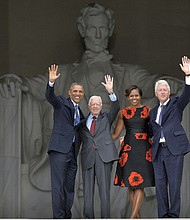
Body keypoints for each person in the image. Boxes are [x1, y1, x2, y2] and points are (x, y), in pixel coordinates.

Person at [0, 2, 188, 218]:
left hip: (113, 137)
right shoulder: (64, 72)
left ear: (109, 30)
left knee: (119, 149)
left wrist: (168, 83)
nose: (98, 34)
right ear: (83, 30)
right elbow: (32, 86)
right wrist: (13, 80)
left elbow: (151, 82)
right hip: (81, 138)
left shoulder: (128, 72)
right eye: (92, 28)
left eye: (102, 28)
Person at [149, 56, 190, 218]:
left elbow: (187, 95)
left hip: (173, 150)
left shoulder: (176, 105)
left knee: (174, 185)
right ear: (156, 93)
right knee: (160, 186)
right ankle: (163, 215)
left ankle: (173, 215)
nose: (163, 92)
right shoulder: (152, 112)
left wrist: (187, 76)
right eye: (160, 90)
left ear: (169, 92)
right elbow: (150, 131)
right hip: (158, 152)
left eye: (165, 89)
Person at [77, 75, 120, 218]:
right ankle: (88, 217)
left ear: (101, 106)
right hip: (88, 157)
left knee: (104, 191)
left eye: (97, 104)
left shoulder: (106, 118)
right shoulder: (82, 123)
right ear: (89, 106)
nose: (95, 106)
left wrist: (110, 92)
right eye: (93, 104)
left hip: (104, 157)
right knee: (87, 193)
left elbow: (116, 107)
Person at [45, 64, 85, 218]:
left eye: (80, 91)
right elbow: (50, 97)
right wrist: (51, 83)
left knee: (69, 187)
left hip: (73, 153)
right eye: (75, 91)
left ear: (82, 94)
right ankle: (59, 217)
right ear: (70, 92)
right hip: (59, 150)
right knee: (58, 186)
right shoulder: (61, 102)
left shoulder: (80, 113)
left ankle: (67, 215)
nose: (77, 93)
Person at [112, 85, 155, 218]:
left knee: (140, 183)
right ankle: (137, 217)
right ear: (128, 97)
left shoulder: (149, 111)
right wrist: (97, 135)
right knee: (131, 183)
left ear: (140, 96)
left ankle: (132, 217)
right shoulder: (123, 113)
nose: (134, 98)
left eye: (136, 95)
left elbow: (154, 131)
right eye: (131, 96)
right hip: (128, 148)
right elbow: (115, 135)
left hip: (143, 148)